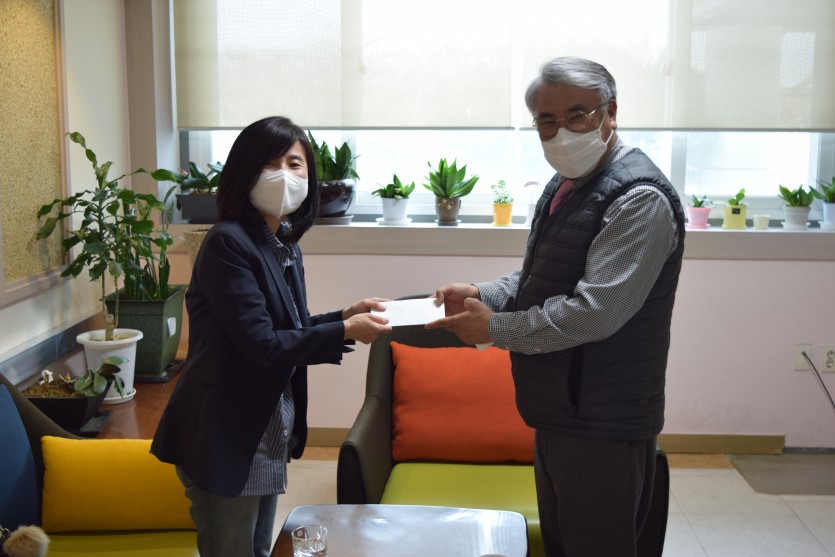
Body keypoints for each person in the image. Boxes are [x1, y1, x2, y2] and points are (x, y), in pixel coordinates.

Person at [426, 57, 685, 557]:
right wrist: (482, 293)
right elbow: (540, 278)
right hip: (561, 410)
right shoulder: (567, 183)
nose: (562, 132)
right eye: (547, 120)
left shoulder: (640, 199)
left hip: (603, 420)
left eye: (577, 115)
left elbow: (595, 311)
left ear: (611, 113)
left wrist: (495, 328)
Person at [151, 116, 391, 557]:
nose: (285, 174)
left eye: (295, 164)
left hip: (266, 427)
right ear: (245, 170)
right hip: (226, 431)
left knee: (261, 547)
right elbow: (262, 343)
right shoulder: (227, 244)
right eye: (271, 162)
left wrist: (345, 315)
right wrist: (344, 330)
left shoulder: (283, 245)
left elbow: (288, 327)